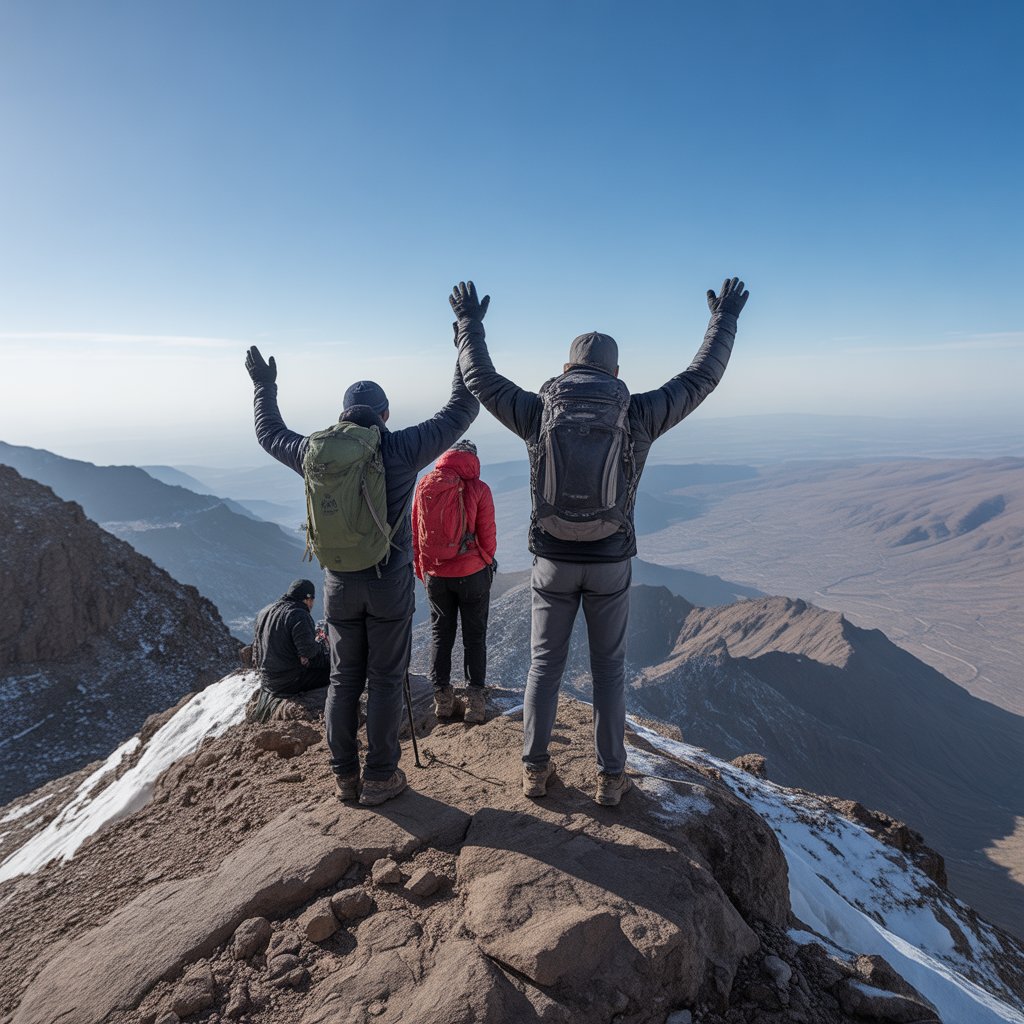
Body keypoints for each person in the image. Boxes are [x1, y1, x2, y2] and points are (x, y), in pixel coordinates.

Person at [450, 277, 748, 805]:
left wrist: (470, 323)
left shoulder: (537, 411)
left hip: (552, 560)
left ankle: (534, 771)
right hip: (610, 560)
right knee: (610, 670)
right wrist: (722, 320)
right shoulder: (637, 412)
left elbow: (479, 378)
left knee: (545, 665)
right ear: (616, 373)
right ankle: (611, 778)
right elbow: (702, 378)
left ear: (566, 370)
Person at [244, 348, 478, 806]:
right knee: (387, 680)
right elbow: (461, 409)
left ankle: (345, 777)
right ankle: (381, 776)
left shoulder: (315, 452)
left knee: (343, 679)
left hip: (337, 586)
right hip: (389, 583)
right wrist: (463, 348)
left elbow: (268, 434)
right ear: (385, 414)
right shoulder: (400, 446)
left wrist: (263, 387)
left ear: (343, 416)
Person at [412, 439, 497, 725]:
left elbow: (415, 532)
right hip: (471, 573)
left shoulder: (425, 485)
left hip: (436, 576)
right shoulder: (479, 489)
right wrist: (484, 559)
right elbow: (488, 536)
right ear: (472, 459)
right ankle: (474, 703)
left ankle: (443, 701)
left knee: (441, 635)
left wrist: (423, 569)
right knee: (475, 636)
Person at [251, 578, 330, 695]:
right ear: (308, 599)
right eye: (312, 600)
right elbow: (309, 652)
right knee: (337, 673)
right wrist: (320, 645)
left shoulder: (264, 612)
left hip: (267, 681)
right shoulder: (299, 614)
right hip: (289, 682)